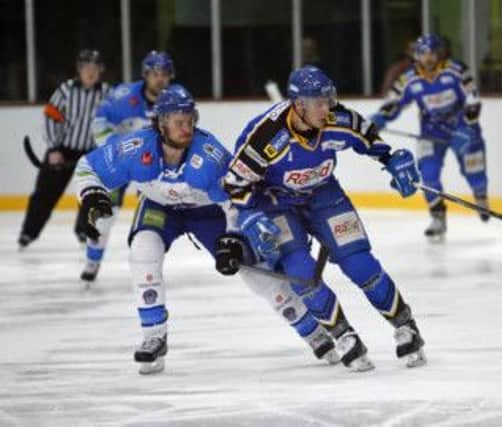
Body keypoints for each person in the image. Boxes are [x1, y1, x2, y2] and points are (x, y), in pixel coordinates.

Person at [74, 85, 340, 374]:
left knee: (252, 270)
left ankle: (311, 330)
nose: (186, 127)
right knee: (142, 251)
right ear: (161, 123)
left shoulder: (210, 157)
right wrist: (91, 195)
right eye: (179, 122)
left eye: (190, 120)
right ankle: (154, 336)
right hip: (158, 208)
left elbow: (236, 199)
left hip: (207, 213)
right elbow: (87, 166)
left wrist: (233, 237)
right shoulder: (135, 149)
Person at [222, 66, 426, 372]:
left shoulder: (337, 120)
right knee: (301, 270)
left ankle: (405, 325)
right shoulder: (266, 136)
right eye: (318, 102)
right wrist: (250, 216)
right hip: (277, 202)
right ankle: (342, 334)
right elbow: (236, 184)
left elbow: (368, 136)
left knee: (359, 262)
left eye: (327, 99)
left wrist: (391, 158)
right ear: (298, 104)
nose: (326, 107)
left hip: (323, 194)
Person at [371, 34, 489, 242]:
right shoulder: (408, 79)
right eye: (423, 54)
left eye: (432, 53)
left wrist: (469, 128)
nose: (428, 58)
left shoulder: (456, 70)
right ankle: (438, 217)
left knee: (474, 168)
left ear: (440, 54)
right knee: (428, 173)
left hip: (461, 126)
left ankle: (480, 196)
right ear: (417, 56)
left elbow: (473, 98)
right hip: (431, 132)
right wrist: (379, 120)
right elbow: (393, 102)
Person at [81, 51, 175, 283]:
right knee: (104, 216)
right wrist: (116, 150)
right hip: (121, 163)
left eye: (165, 74)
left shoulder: (176, 99)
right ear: (145, 75)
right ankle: (93, 260)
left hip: (154, 166)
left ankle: (149, 265)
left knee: (154, 217)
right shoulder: (123, 96)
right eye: (155, 74)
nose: (160, 79)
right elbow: (100, 121)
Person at [18, 49, 109, 249]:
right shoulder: (65, 90)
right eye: (86, 68)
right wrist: (53, 149)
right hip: (63, 150)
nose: (91, 72)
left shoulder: (107, 93)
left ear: (100, 70)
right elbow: (51, 118)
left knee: (91, 195)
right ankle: (28, 233)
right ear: (79, 69)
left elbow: (112, 123)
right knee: (44, 194)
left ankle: (84, 231)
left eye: (95, 68)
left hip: (91, 154)